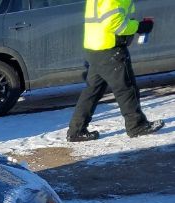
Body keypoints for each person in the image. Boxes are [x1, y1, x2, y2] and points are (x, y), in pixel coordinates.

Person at [67, 0, 164, 142]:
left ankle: (76, 130)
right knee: (126, 88)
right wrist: (139, 26)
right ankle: (136, 125)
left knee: (92, 91)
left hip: (95, 48)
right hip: (110, 48)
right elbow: (115, 24)